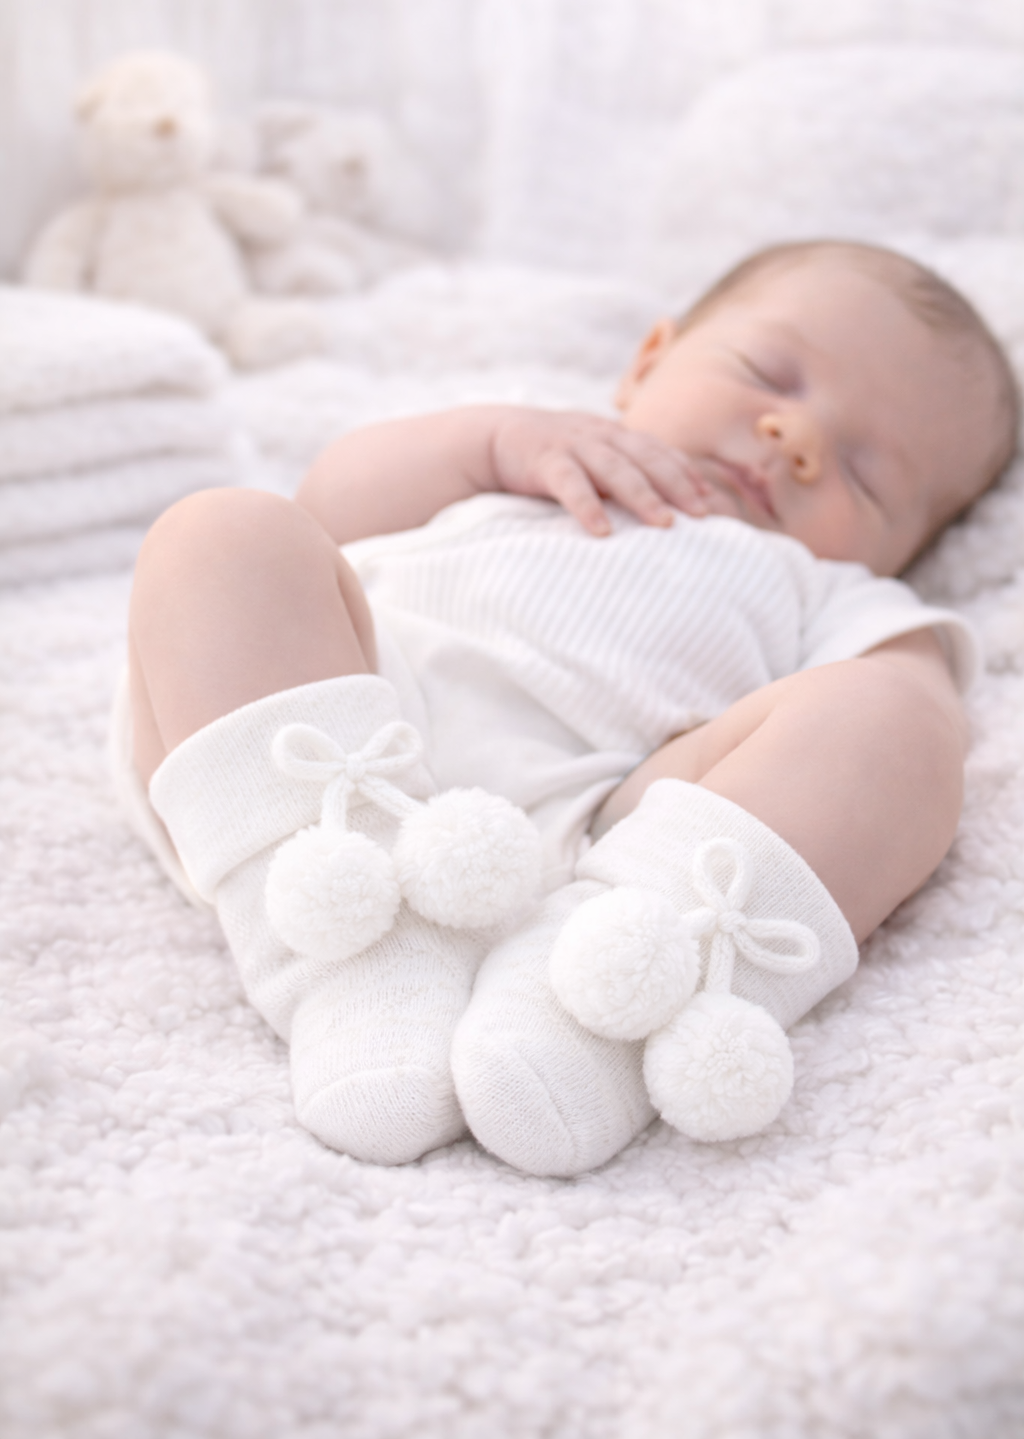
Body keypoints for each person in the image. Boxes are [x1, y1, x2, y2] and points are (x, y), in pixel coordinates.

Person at [116, 240, 1018, 1175]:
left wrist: (880, 708)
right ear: (647, 363)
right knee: (222, 533)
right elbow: (330, 508)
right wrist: (496, 442)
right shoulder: (537, 457)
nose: (797, 439)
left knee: (891, 726)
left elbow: (907, 725)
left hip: (596, 833)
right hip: (324, 738)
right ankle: (351, 963)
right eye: (767, 374)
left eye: (867, 474)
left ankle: (588, 1012)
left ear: (902, 551)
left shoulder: (826, 587)